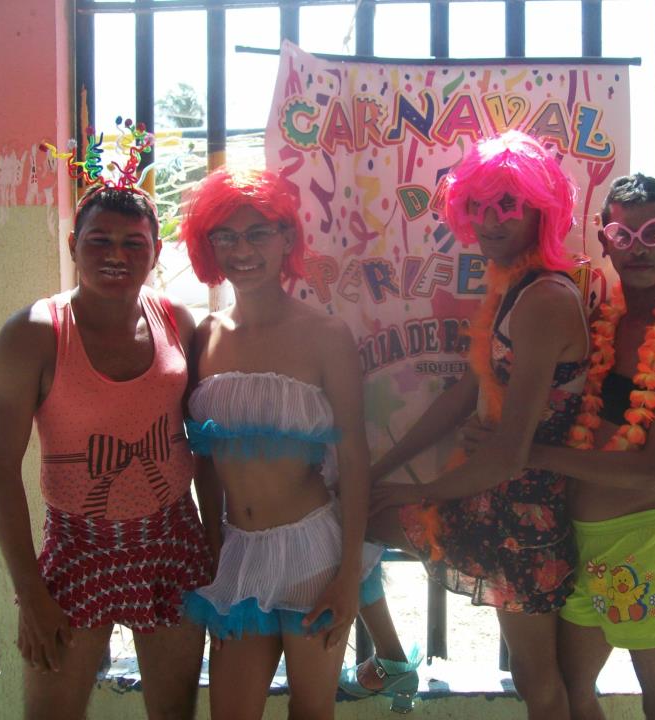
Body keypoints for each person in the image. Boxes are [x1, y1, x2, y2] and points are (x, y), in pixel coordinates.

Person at [359, 130, 590, 719]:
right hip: (491, 502)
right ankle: (391, 657)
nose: (490, 221)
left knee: (540, 680)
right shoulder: (513, 288)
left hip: (526, 517)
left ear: (541, 208)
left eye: (507, 204)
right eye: (478, 206)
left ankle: (390, 661)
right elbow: (463, 396)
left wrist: (414, 491)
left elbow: (510, 453)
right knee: (351, 517)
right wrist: (380, 469)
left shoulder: (544, 299)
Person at [0, 183, 215, 720]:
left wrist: (216, 547)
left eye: (134, 243)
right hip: (77, 546)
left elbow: (204, 440)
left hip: (172, 538)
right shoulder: (34, 335)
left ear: (156, 250)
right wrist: (31, 595)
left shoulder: (176, 322)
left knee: (174, 712)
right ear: (72, 244)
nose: (116, 255)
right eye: (99, 240)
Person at [178, 167, 384, 720]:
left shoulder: (325, 336)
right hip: (239, 555)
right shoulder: (205, 336)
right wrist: (214, 548)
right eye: (225, 236)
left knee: (311, 711)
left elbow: (355, 459)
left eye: (257, 233)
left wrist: (347, 574)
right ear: (207, 244)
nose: (241, 250)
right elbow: (204, 461)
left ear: (287, 237)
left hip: (312, 556)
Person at [526, 173, 655, 720]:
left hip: (649, 543)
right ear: (604, 238)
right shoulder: (600, 318)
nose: (638, 248)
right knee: (571, 692)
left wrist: (528, 454)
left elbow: (651, 471)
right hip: (579, 542)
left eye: (653, 233)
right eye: (624, 235)